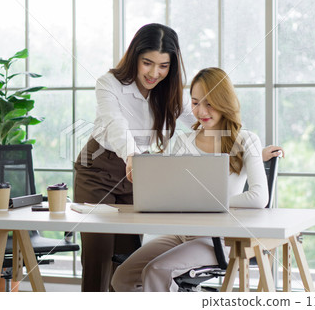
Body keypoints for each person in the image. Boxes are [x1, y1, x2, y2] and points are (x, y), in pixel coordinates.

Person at [74, 23, 283, 292]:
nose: (154, 73)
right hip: (101, 167)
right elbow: (116, 125)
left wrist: (249, 149)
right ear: (134, 57)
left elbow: (206, 113)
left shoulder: (169, 91)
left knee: (125, 256)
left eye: (163, 66)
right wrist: (132, 156)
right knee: (98, 255)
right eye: (147, 63)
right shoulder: (109, 83)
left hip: (138, 170)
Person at [111, 67, 270, 292]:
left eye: (209, 103)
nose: (201, 111)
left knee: (156, 271)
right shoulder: (185, 141)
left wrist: (206, 201)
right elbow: (175, 193)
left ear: (224, 102)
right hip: (181, 233)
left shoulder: (246, 140)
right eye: (195, 103)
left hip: (219, 239)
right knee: (123, 277)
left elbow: (259, 198)